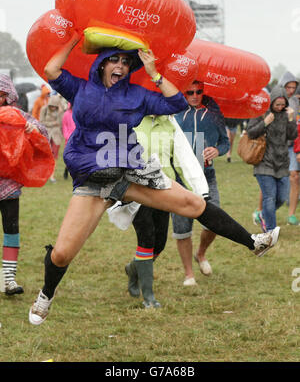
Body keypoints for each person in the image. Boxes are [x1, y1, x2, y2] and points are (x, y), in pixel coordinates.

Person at [28, 32, 280, 326]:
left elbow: (176, 103)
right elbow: (51, 71)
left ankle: (254, 242)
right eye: (114, 59)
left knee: (192, 203)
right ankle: (46, 295)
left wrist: (154, 73)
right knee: (62, 254)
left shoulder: (137, 94)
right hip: (94, 178)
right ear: (101, 63)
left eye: (125, 61)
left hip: (132, 170)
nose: (120, 65)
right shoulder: (81, 89)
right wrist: (73, 40)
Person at [117, 113, 209, 308]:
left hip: (163, 188)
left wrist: (195, 191)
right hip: (136, 190)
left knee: (159, 244)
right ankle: (148, 297)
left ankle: (133, 269)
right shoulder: (130, 119)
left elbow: (180, 159)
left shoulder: (169, 123)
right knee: (147, 238)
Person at [171, 81, 230, 285]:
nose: (195, 95)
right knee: (182, 228)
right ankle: (189, 274)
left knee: (216, 221)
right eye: (190, 92)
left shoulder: (213, 112)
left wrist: (217, 150)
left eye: (199, 92)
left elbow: (225, 142)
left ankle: (201, 253)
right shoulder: (175, 113)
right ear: (183, 93)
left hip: (207, 176)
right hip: (180, 179)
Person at [0, 74, 48, 295]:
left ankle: (8, 279)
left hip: (8, 186)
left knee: (12, 230)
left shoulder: (18, 116)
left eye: (1, 94)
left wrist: (32, 130)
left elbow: (42, 134)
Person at [246, 86, 297, 232]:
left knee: (281, 197)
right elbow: (251, 133)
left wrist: (291, 119)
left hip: (282, 162)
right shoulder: (260, 112)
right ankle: (270, 231)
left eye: (283, 104)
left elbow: (292, 136)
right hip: (264, 161)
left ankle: (263, 215)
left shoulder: (286, 114)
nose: (280, 107)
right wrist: (265, 122)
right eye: (277, 104)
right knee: (269, 198)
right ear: (271, 102)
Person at [278, 72, 300, 225]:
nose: (291, 90)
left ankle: (291, 214)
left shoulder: (295, 102)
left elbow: (297, 125)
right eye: (288, 86)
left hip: (293, 145)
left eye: (294, 87)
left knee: (294, 177)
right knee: (273, 178)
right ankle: (260, 210)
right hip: (277, 146)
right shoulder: (275, 100)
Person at [40, 95, 64, 183]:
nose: (53, 107)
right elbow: (41, 122)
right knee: (45, 156)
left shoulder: (60, 111)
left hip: (56, 136)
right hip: (46, 136)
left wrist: (60, 112)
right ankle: (44, 174)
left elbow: (60, 123)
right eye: (52, 106)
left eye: (55, 106)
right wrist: (53, 123)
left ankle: (52, 176)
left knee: (54, 157)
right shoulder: (44, 109)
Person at [62, 103, 75, 179]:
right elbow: (64, 126)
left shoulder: (78, 112)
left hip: (77, 137)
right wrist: (67, 136)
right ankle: (66, 170)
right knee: (69, 156)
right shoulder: (66, 114)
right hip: (69, 138)